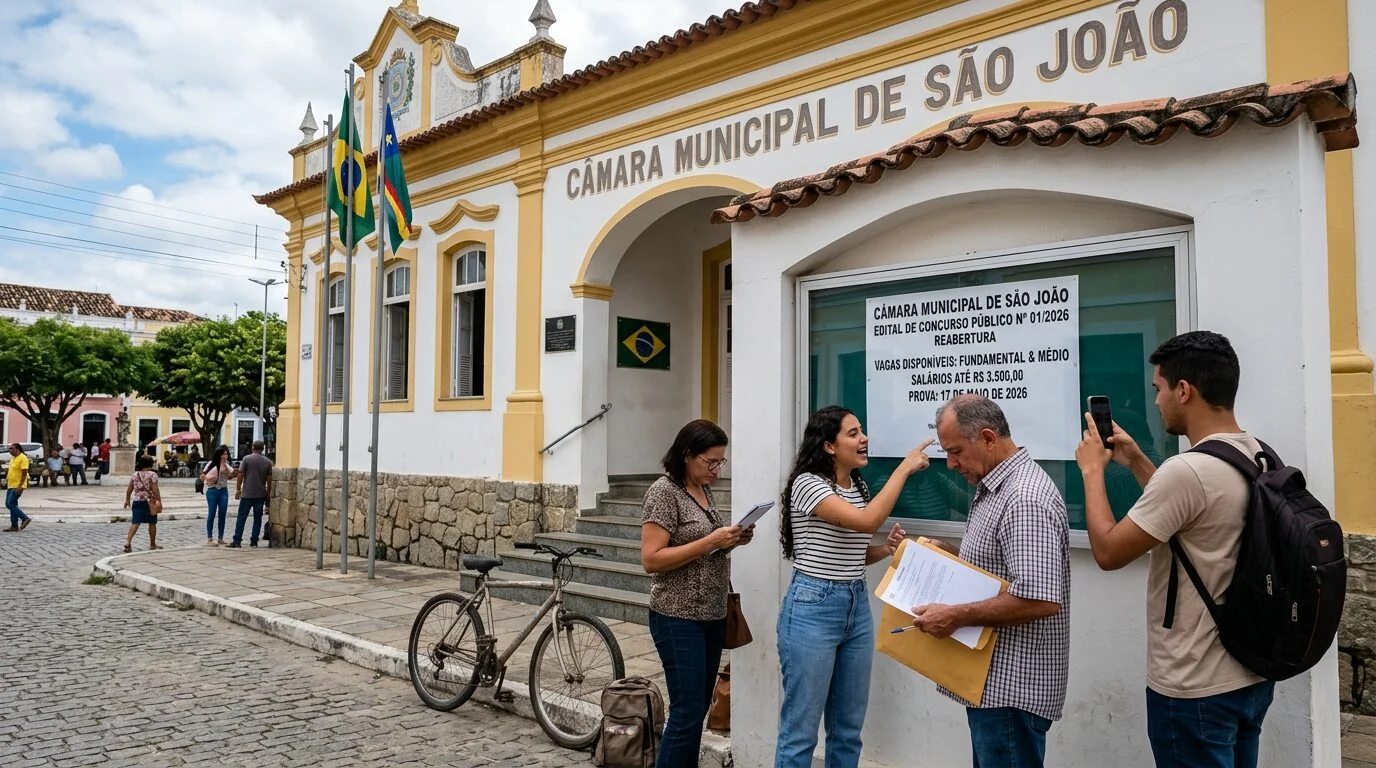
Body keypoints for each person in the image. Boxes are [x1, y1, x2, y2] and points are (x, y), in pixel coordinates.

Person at [1074, 331, 1273, 768]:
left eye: (1158, 389)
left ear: (1184, 390)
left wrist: (1092, 472)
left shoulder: (1186, 471)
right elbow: (1192, 516)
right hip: (1250, 673)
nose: (1157, 401)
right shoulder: (1257, 454)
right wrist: (1137, 461)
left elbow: (1108, 552)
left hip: (1194, 685)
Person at [911, 395, 1071, 768]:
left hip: (1011, 692)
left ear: (987, 438)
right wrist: (948, 553)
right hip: (993, 686)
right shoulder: (997, 485)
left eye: (955, 452)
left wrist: (954, 615)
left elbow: (1039, 599)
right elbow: (1002, 568)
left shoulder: (1024, 498)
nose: (950, 464)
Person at [774, 406, 929, 768]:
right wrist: (904, 468)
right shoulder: (808, 483)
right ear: (829, 446)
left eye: (862, 431)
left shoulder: (856, 486)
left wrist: (884, 550)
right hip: (813, 606)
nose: (864, 439)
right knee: (800, 733)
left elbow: (852, 552)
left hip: (855, 605)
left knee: (847, 730)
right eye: (853, 433)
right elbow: (866, 522)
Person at [640, 419, 753, 767]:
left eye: (721, 462)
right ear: (687, 455)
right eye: (711, 462)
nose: (717, 470)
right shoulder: (664, 492)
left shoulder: (703, 490)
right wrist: (710, 541)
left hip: (711, 614)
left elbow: (704, 547)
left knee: (698, 708)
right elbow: (651, 559)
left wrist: (731, 541)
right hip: (677, 616)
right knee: (686, 711)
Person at [229, 440, 273, 548]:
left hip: (247, 494)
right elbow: (269, 481)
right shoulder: (268, 462)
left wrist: (238, 489)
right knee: (257, 519)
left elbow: (240, 474)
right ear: (263, 449)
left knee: (241, 518)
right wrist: (268, 494)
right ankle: (254, 541)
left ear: (253, 447)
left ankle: (237, 540)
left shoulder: (246, 459)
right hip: (260, 494)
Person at [123, 454, 161, 552]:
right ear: (151, 464)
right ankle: (152, 544)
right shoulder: (153, 475)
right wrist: (158, 501)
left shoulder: (135, 475)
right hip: (149, 502)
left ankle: (128, 541)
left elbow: (129, 489)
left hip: (137, 501)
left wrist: (127, 500)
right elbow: (155, 489)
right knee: (152, 522)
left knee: (135, 522)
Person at [201, 445, 236, 546]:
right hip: (212, 490)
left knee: (222, 514)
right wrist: (209, 478)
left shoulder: (226, 465)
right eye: (224, 454)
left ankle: (220, 538)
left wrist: (230, 474)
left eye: (226, 454)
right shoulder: (210, 464)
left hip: (223, 491)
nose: (226, 456)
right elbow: (202, 476)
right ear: (219, 455)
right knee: (211, 514)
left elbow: (230, 477)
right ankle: (210, 539)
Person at [3, 443, 32, 531]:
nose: (10, 450)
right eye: (9, 449)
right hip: (11, 484)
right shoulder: (13, 458)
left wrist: (20, 486)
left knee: (9, 504)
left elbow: (24, 473)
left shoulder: (23, 458)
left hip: (18, 485)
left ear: (17, 449)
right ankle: (14, 525)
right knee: (13, 504)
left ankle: (25, 518)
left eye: (12, 448)